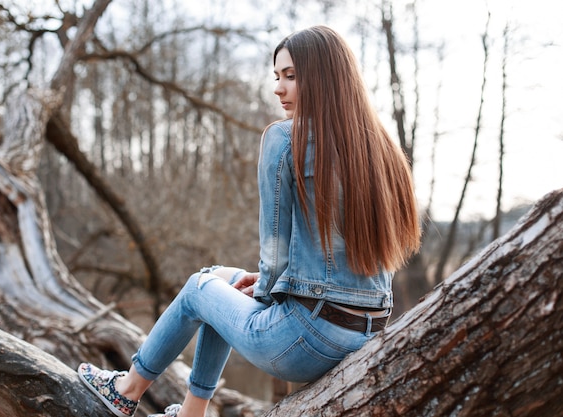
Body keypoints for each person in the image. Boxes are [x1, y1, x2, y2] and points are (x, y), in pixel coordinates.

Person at [78, 25, 420, 417]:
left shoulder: (286, 138)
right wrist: (269, 286)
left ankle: (126, 391)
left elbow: (274, 250)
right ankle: (192, 412)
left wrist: (266, 294)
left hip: (305, 343)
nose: (278, 88)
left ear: (326, 75)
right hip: (363, 335)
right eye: (277, 77)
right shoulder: (381, 148)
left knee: (197, 289)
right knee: (223, 279)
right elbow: (352, 262)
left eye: (291, 76)